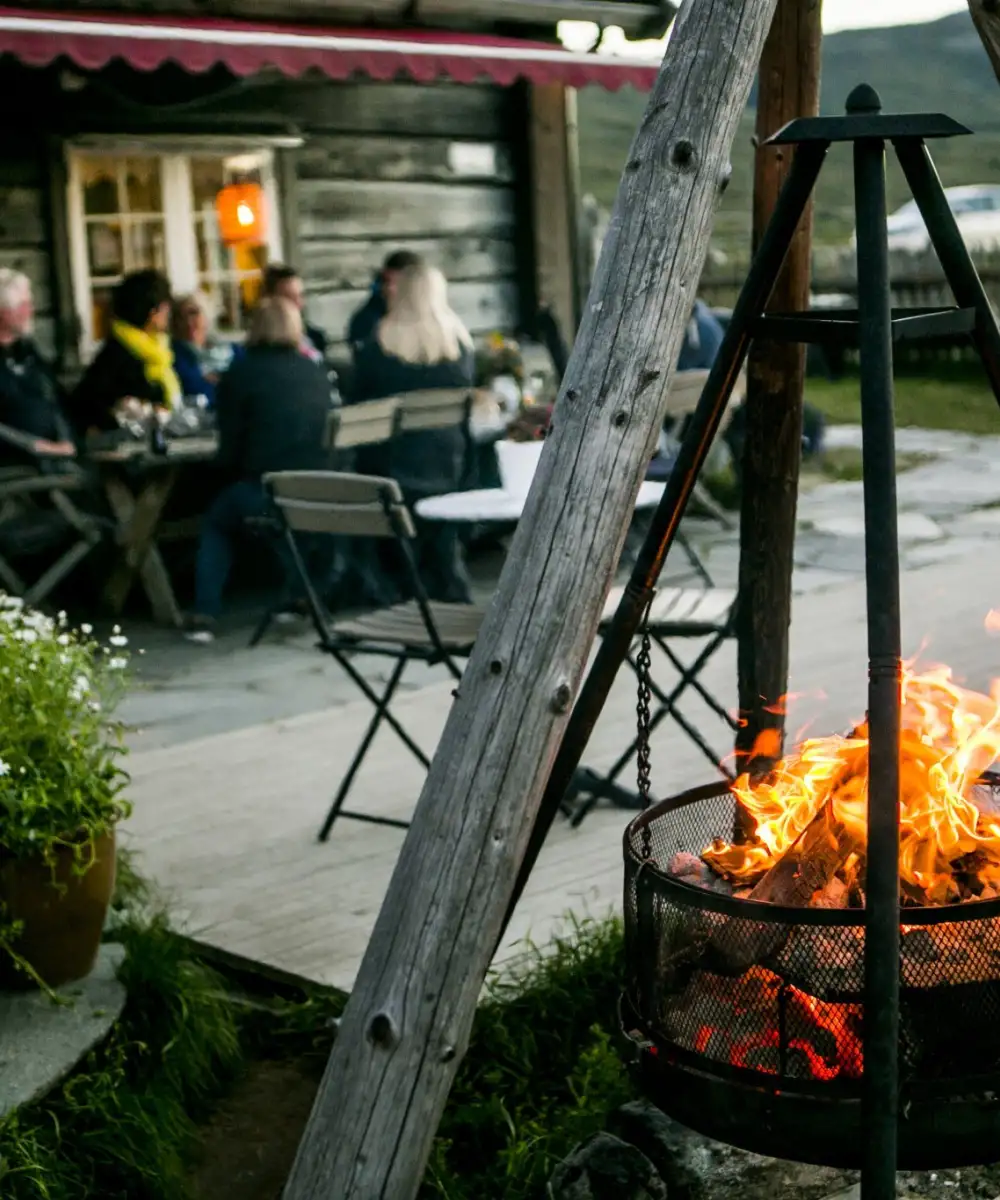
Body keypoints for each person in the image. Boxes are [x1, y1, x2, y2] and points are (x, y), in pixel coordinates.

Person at [184, 297, 332, 643]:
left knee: (218, 520)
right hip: (319, 494)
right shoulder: (315, 370)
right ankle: (296, 597)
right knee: (282, 525)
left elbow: (230, 452)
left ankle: (204, 613)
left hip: (267, 494)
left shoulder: (242, 373)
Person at [351, 262, 475, 605]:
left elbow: (360, 407)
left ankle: (397, 586)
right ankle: (446, 580)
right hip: (450, 467)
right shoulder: (459, 345)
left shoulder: (379, 344)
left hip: (395, 472)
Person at [69, 269, 180, 434]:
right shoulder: (119, 356)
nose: (169, 313)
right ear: (152, 312)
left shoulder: (155, 349)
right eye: (165, 307)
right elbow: (91, 406)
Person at [0, 270, 75, 467]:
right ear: (3, 312)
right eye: (23, 305)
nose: (31, 311)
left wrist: (65, 439)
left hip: (54, 458)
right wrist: (35, 445)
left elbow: (53, 399)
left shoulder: (27, 351)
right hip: (14, 468)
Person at [347, 249, 424, 355]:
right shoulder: (367, 320)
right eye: (387, 281)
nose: (390, 288)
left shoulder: (432, 315)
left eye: (399, 283)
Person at [170, 293, 233, 407]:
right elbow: (196, 388)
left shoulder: (231, 349)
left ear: (208, 314)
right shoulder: (175, 355)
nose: (188, 321)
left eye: (194, 313)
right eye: (181, 317)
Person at [261, 264, 329, 365]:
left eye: (301, 296)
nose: (299, 303)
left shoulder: (316, 338)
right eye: (289, 297)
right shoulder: (260, 345)